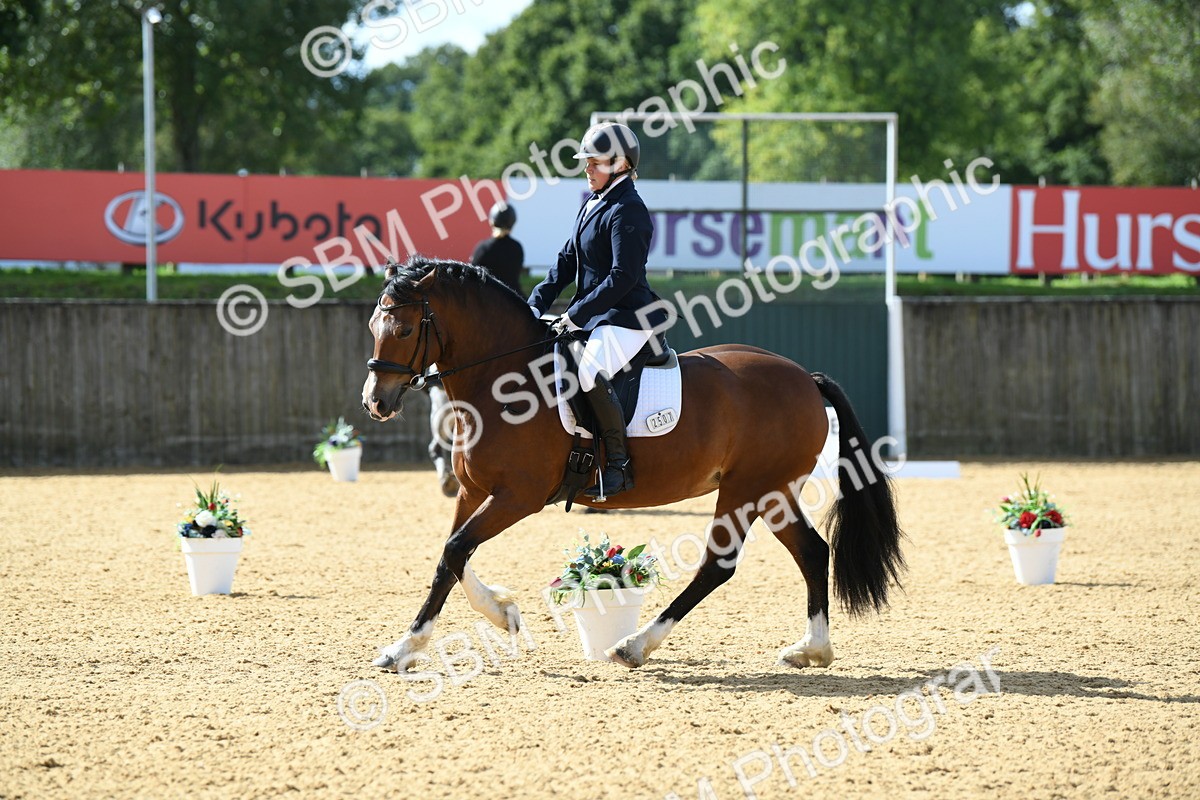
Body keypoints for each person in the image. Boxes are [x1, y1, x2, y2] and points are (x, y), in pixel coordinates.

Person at [527, 121, 667, 500]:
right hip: (598, 315)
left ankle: (618, 464)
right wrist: (534, 304)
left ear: (620, 164)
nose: (586, 168)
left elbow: (622, 277)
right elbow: (565, 262)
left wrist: (575, 315)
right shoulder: (593, 203)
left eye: (594, 162)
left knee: (588, 370)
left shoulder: (630, 210)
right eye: (586, 162)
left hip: (628, 316)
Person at [427, 201, 525, 497]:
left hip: (484, 315)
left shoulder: (482, 248)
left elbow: (475, 283)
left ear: (490, 220)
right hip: (510, 314)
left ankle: (432, 378)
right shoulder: (517, 248)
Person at [470, 201, 525, 294]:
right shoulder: (517, 248)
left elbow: (471, 279)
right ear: (512, 224)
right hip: (513, 301)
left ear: (491, 222)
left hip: (485, 301)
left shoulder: (482, 248)